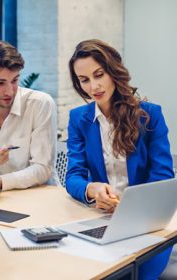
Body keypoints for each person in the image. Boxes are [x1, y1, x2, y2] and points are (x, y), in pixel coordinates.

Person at [66, 39, 174, 280]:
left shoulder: (150, 115)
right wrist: (91, 189)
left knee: (131, 274)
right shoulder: (78, 119)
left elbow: (163, 177)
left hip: (147, 224)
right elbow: (73, 177)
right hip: (102, 220)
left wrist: (129, 205)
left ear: (113, 71)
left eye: (99, 74)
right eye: (84, 80)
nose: (94, 86)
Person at [0, 40, 59, 198]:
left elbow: (42, 169)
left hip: (40, 196)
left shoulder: (40, 104)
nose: (9, 91)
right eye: (0, 83)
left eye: (14, 80)